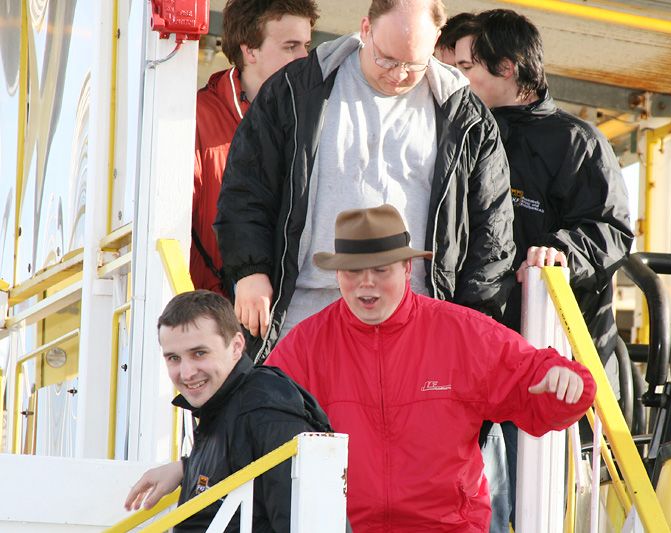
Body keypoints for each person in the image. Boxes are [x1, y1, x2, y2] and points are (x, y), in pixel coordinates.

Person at [213, 0, 515, 360]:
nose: (398, 74)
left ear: (436, 41)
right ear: (366, 29)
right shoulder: (296, 89)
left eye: (413, 64)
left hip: (415, 325)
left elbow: (492, 228)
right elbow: (246, 188)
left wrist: (472, 319)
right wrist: (250, 271)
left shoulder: (467, 116)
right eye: (386, 59)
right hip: (304, 316)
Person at [265, 204, 597, 531]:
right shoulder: (306, 344)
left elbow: (534, 379)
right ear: (338, 274)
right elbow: (257, 413)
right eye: (352, 271)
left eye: (381, 270)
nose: (366, 283)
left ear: (407, 268)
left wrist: (566, 380)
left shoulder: (460, 332)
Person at [453, 9, 635, 529]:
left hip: (545, 356)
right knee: (472, 498)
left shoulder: (577, 142)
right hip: (470, 351)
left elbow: (612, 230)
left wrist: (558, 251)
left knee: (538, 502)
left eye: (467, 68)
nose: (457, 80)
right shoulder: (460, 135)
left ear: (507, 68)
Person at [123, 290, 331, 532]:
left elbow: (307, 522)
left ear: (236, 347)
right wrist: (186, 469)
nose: (187, 373)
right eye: (173, 358)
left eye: (199, 353)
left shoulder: (266, 412)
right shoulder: (222, 404)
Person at [192, 0, 319, 297]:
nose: (304, 58)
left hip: (298, 304)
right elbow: (174, 229)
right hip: (222, 310)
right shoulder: (195, 119)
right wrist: (215, 307)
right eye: (291, 47)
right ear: (250, 51)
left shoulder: (318, 117)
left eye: (306, 46)